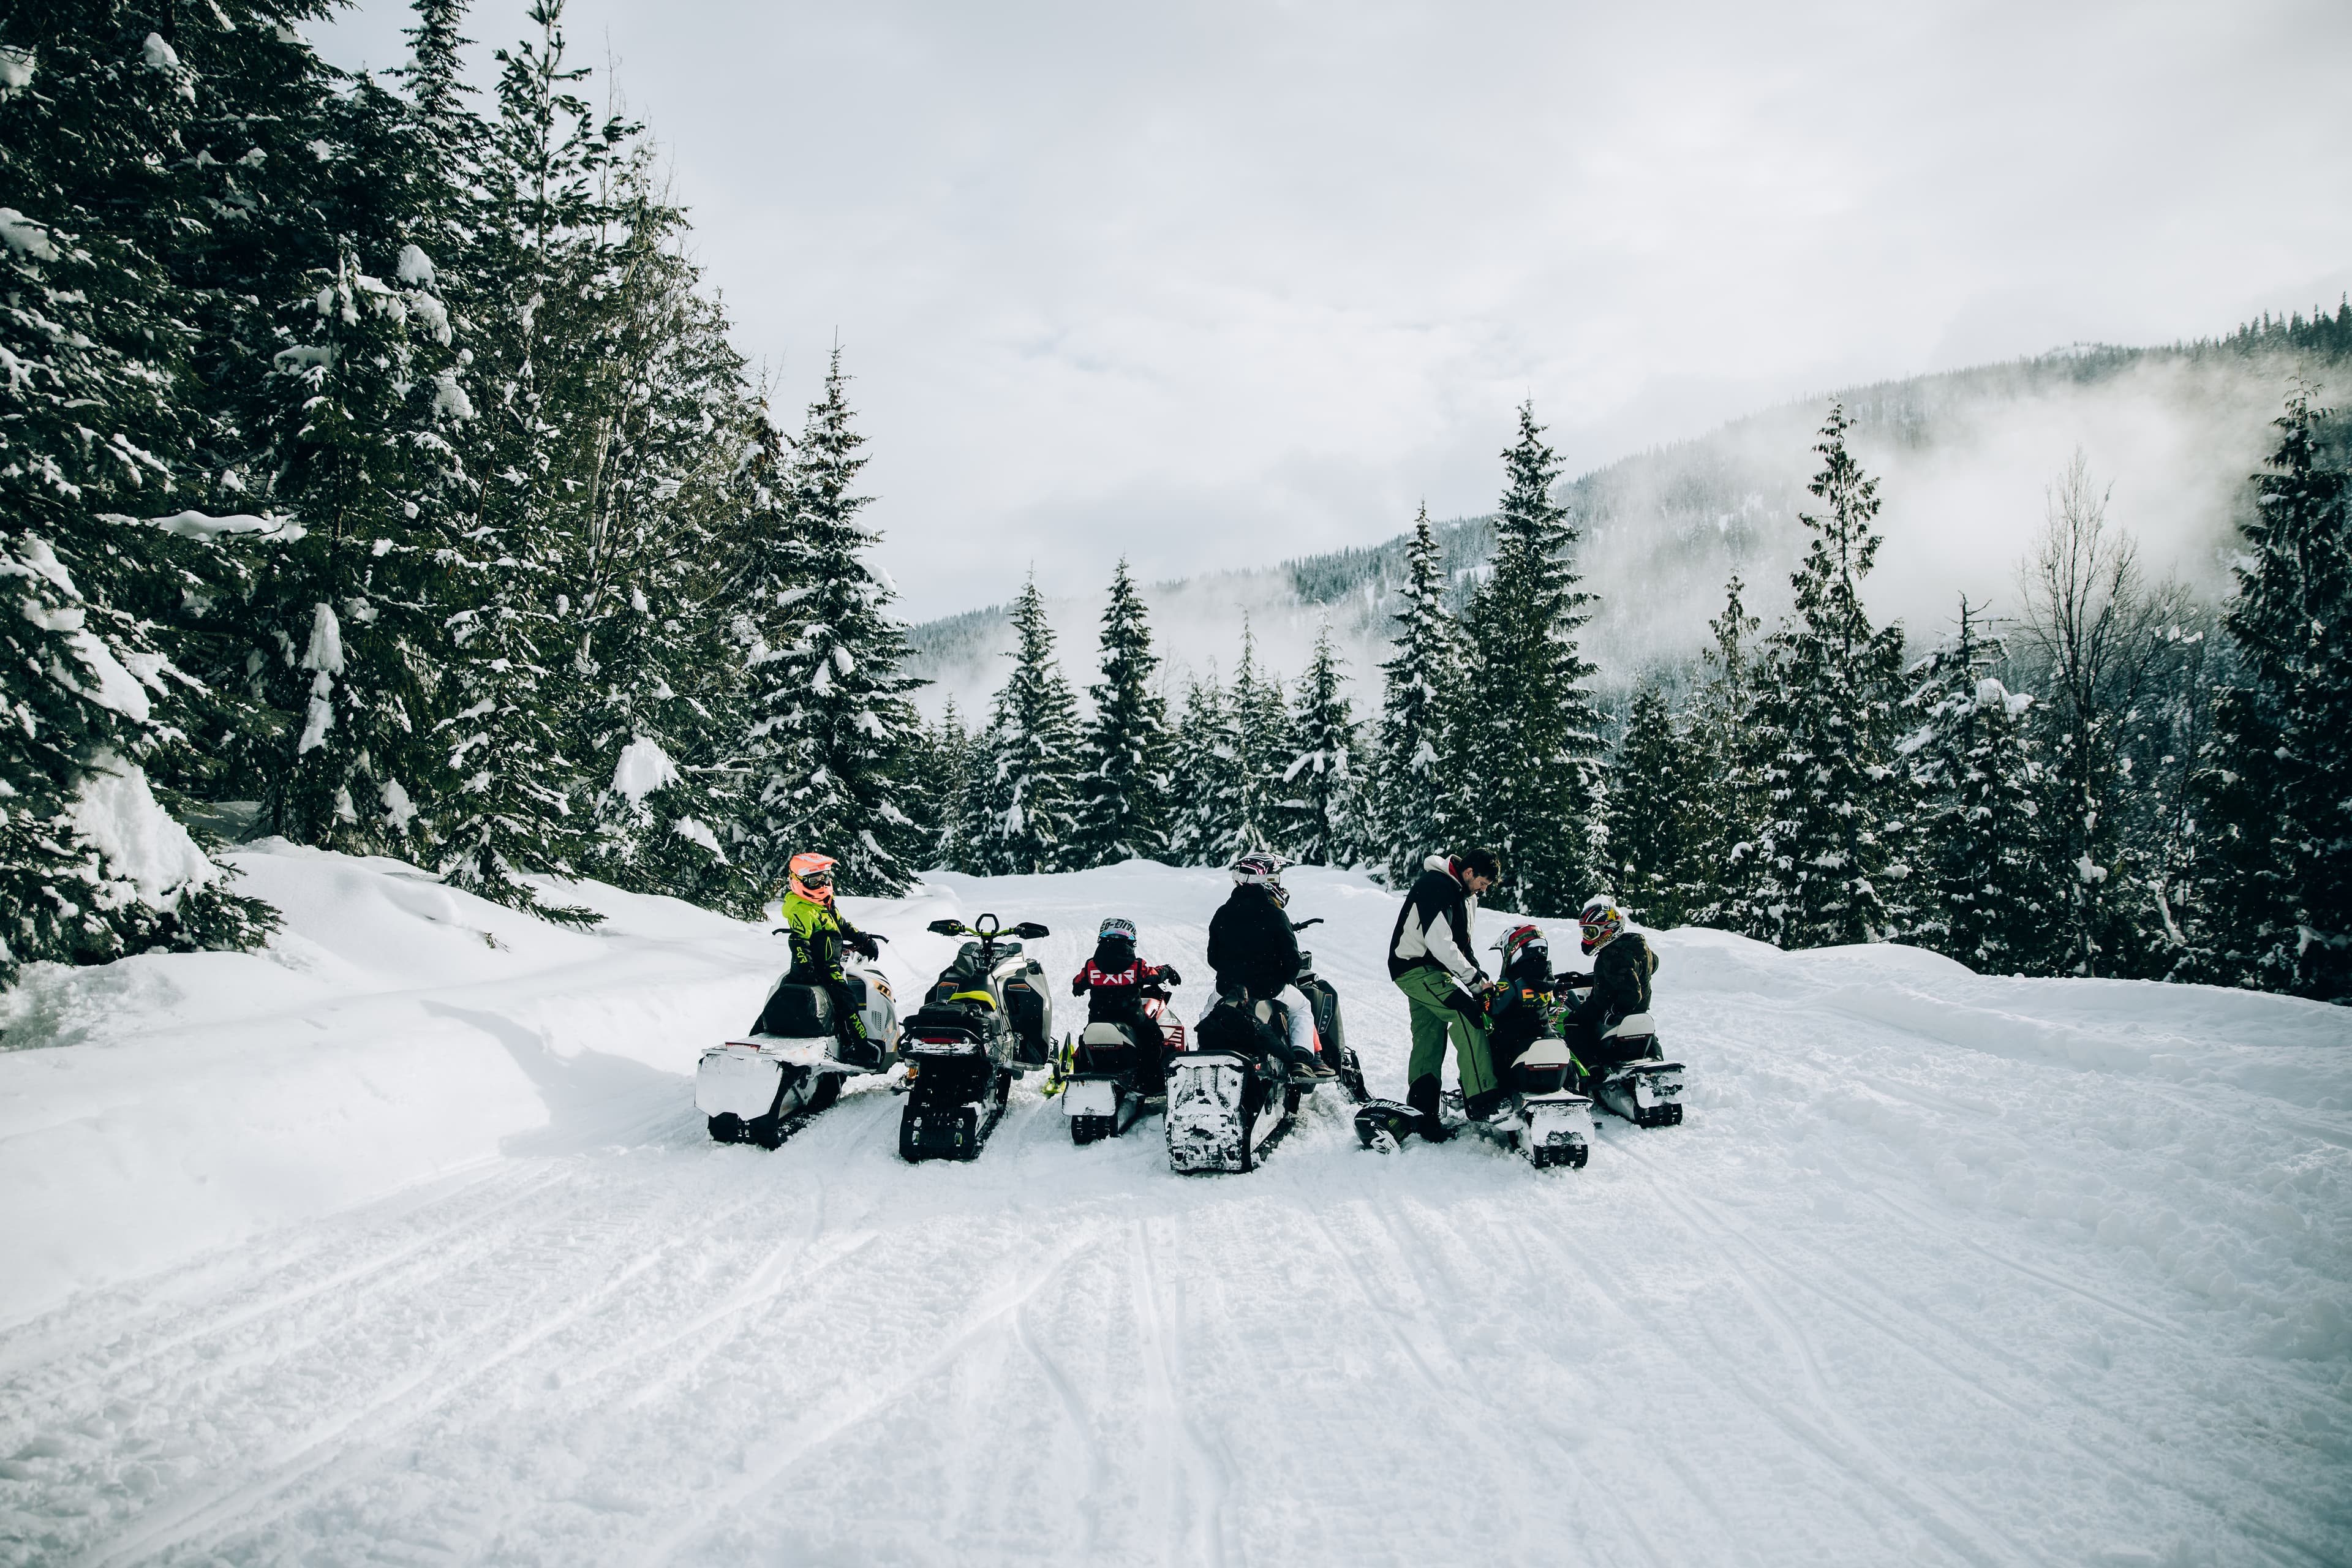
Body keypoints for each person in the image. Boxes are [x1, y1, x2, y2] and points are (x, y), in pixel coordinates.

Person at [1387, 848, 1507, 1139]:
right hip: (1416, 968)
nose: (1484, 889)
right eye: (1483, 883)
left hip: (1429, 969)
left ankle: (1421, 1114)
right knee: (1467, 1014)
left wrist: (1480, 978)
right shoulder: (1436, 885)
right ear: (1468, 873)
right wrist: (1474, 983)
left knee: (1429, 1036)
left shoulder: (1466, 896)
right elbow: (1439, 942)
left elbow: (1462, 945)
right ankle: (1484, 1099)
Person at [1204, 854, 1328, 1076]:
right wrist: (1280, 977)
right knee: (1302, 1008)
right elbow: (1291, 963)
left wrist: (1234, 975)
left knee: (1208, 1012)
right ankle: (1303, 1059)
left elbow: (1213, 958)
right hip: (1268, 989)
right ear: (1263, 878)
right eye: (1274, 875)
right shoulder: (1275, 914)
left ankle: (1205, 1057)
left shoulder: (1222, 913)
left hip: (1229, 989)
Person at [778, 851, 883, 1068]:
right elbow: (798, 941)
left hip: (826, 966)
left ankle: (844, 1042)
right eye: (814, 880)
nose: (822, 884)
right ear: (798, 882)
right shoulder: (803, 909)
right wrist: (808, 968)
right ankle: (860, 1048)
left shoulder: (823, 904)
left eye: (824, 878)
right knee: (847, 1002)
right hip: (821, 968)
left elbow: (842, 925)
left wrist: (864, 940)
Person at [1071, 916, 1180, 1088]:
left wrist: (1080, 988)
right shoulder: (1136, 966)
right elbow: (1154, 976)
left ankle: (1080, 1075)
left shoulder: (1091, 966)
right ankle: (1152, 1080)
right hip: (1131, 1018)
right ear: (1131, 940)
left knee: (1084, 1040)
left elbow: (1078, 984)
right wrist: (1168, 970)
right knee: (1154, 1037)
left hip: (1099, 1018)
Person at [1559, 898, 1659, 1088]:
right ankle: (1656, 1058)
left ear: (1609, 929)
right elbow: (1646, 968)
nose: (1587, 938)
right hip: (1641, 1010)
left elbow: (1631, 992)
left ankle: (1593, 1069)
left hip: (1608, 1005)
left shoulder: (1612, 955)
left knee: (1573, 1022)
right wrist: (1584, 979)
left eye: (1591, 932)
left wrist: (1613, 1011)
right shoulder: (1638, 947)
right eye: (1585, 932)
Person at [1485, 922, 1572, 1086]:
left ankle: (1497, 1093)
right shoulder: (1548, 980)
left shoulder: (1510, 982)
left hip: (1514, 1041)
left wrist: (1487, 994)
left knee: (1490, 1047)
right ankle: (1572, 1085)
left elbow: (1495, 1010)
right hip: (1544, 1034)